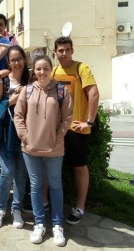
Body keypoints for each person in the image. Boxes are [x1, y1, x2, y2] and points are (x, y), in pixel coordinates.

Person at [14, 55, 73, 247]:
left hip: (54, 148)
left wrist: (58, 138)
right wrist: (25, 137)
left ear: (51, 69)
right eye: (38, 69)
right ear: (34, 71)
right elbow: (18, 116)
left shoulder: (61, 90)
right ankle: (39, 223)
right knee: (36, 185)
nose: (42, 72)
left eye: (45, 68)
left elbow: (67, 118)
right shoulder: (27, 90)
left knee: (55, 185)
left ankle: (57, 225)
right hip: (30, 148)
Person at [51, 36, 100, 225]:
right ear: (54, 52)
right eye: (60, 50)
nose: (63, 53)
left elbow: (94, 93)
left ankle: (80, 207)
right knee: (51, 167)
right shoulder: (53, 71)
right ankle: (46, 203)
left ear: (72, 50)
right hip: (57, 129)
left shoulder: (82, 68)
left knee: (79, 167)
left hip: (77, 128)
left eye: (67, 49)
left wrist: (89, 121)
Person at [0, 45, 29, 229]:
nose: (16, 62)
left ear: (24, 59)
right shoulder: (3, 80)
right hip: (5, 132)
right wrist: (13, 99)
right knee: (7, 171)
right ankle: (0, 209)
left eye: (19, 58)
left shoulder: (31, 79)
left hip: (26, 132)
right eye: (12, 59)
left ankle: (16, 209)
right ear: (9, 62)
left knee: (21, 172)